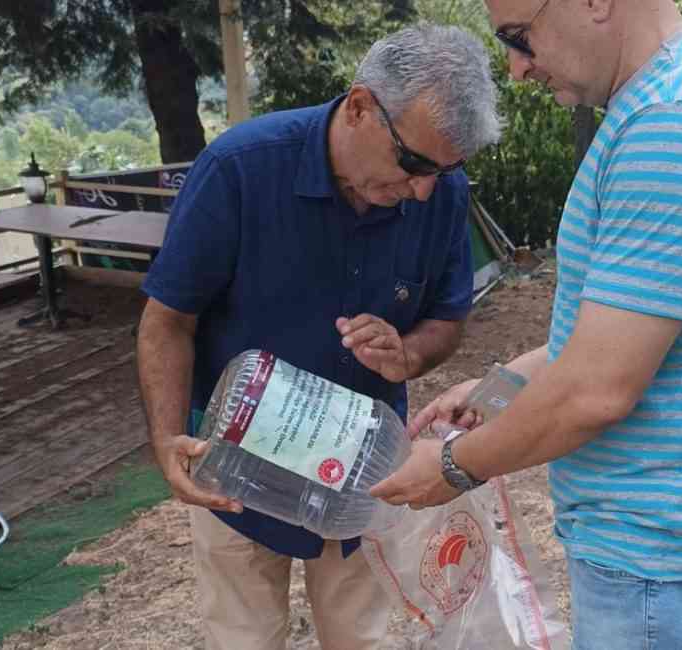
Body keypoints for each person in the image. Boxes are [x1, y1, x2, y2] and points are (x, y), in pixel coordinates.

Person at [372, 2, 682, 649]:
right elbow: (621, 334)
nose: (518, 69)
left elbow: (597, 388)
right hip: (660, 556)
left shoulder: (678, 125)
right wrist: (496, 392)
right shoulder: (677, 102)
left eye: (519, 38)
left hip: (662, 563)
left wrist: (456, 467)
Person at [136, 24, 501, 650]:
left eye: (445, 170)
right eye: (413, 164)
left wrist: (408, 352)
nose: (422, 190)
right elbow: (168, 319)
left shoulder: (439, 191)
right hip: (236, 463)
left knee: (360, 638)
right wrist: (169, 438)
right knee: (241, 638)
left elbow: (447, 318)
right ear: (360, 107)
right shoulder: (239, 170)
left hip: (361, 468)